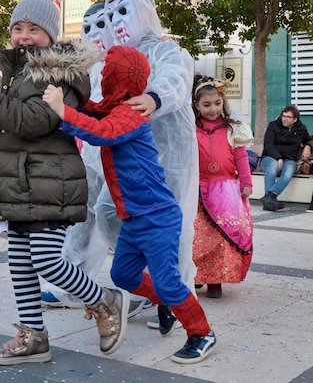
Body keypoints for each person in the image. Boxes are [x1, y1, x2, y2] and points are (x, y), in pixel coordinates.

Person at [0, 0, 129, 366]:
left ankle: (105, 301)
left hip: (51, 181)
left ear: (49, 35)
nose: (24, 36)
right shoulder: (16, 75)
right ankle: (34, 336)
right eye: (18, 28)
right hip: (19, 182)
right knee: (20, 262)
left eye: (34, 29)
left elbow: (33, 122)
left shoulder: (57, 73)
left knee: (47, 260)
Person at [43, 45, 216, 364]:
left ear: (119, 78)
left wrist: (63, 111)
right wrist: (68, 94)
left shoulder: (131, 113)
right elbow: (93, 111)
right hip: (135, 218)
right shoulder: (117, 107)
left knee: (168, 281)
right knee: (123, 275)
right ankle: (166, 302)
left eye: (107, 71)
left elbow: (100, 131)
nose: (103, 75)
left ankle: (201, 332)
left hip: (157, 217)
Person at [104, 0, 198, 332]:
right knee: (104, 211)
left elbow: (176, 79)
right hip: (129, 155)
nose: (117, 21)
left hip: (170, 153)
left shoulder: (166, 50)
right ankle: (153, 284)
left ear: (145, 11)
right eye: (111, 14)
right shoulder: (115, 59)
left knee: (175, 230)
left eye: (124, 11)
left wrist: (155, 97)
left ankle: (177, 296)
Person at [40, 1, 137, 312]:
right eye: (87, 27)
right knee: (81, 217)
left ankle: (140, 285)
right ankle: (72, 283)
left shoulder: (126, 64)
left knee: (113, 215)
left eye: (101, 25)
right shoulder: (86, 69)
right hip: (91, 153)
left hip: (122, 154)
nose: (94, 33)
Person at [192, 76, 254, 299]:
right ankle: (198, 275)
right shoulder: (191, 128)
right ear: (196, 105)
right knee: (197, 235)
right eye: (206, 105)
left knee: (221, 236)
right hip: (196, 189)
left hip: (225, 189)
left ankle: (216, 281)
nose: (212, 109)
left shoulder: (232, 129)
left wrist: (246, 182)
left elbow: (240, 157)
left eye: (217, 103)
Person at [260, 105, 313, 211]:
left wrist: (308, 146)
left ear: (295, 119)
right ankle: (270, 199)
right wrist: (278, 158)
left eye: (288, 117)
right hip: (269, 158)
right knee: (273, 165)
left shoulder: (301, 128)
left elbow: (309, 139)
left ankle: (270, 196)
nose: (284, 118)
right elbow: (268, 144)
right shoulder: (273, 125)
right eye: (283, 116)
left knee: (289, 170)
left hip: (289, 159)